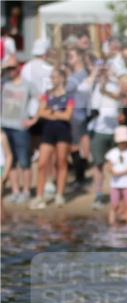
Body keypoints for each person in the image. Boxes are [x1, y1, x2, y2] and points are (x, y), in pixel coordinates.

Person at [30, 67, 73, 209]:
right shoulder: (46, 94)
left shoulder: (69, 95)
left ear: (61, 78)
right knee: (42, 163)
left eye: (54, 77)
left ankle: (59, 194)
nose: (52, 80)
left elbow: (67, 115)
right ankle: (39, 195)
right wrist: (55, 112)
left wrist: (51, 111)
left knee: (61, 162)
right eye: (51, 77)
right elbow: (40, 112)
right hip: (47, 131)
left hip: (63, 131)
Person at [1, 57, 34, 205]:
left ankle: (26, 190)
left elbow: (42, 98)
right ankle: (15, 191)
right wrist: (4, 67)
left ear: (18, 69)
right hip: (5, 126)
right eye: (8, 69)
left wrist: (33, 119)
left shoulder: (27, 85)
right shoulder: (4, 83)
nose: (10, 71)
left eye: (12, 68)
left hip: (20, 127)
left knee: (24, 160)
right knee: (11, 160)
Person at [86, 62, 119, 210]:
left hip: (116, 131)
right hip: (98, 130)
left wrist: (111, 79)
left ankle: (118, 195)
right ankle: (99, 195)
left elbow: (122, 97)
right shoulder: (92, 86)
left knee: (117, 164)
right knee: (98, 165)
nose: (103, 72)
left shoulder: (116, 84)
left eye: (106, 69)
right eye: (101, 70)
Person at [65, 47, 91, 189]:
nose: (69, 57)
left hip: (77, 113)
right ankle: (79, 176)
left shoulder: (81, 74)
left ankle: (79, 178)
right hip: (75, 112)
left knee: (75, 145)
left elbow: (67, 89)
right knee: (77, 144)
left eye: (72, 55)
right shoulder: (76, 73)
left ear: (80, 58)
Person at [106, 125, 127, 225]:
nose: (123, 143)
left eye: (124, 141)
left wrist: (119, 172)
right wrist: (114, 171)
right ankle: (112, 226)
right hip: (115, 184)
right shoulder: (112, 153)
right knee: (113, 206)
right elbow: (109, 167)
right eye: (121, 142)